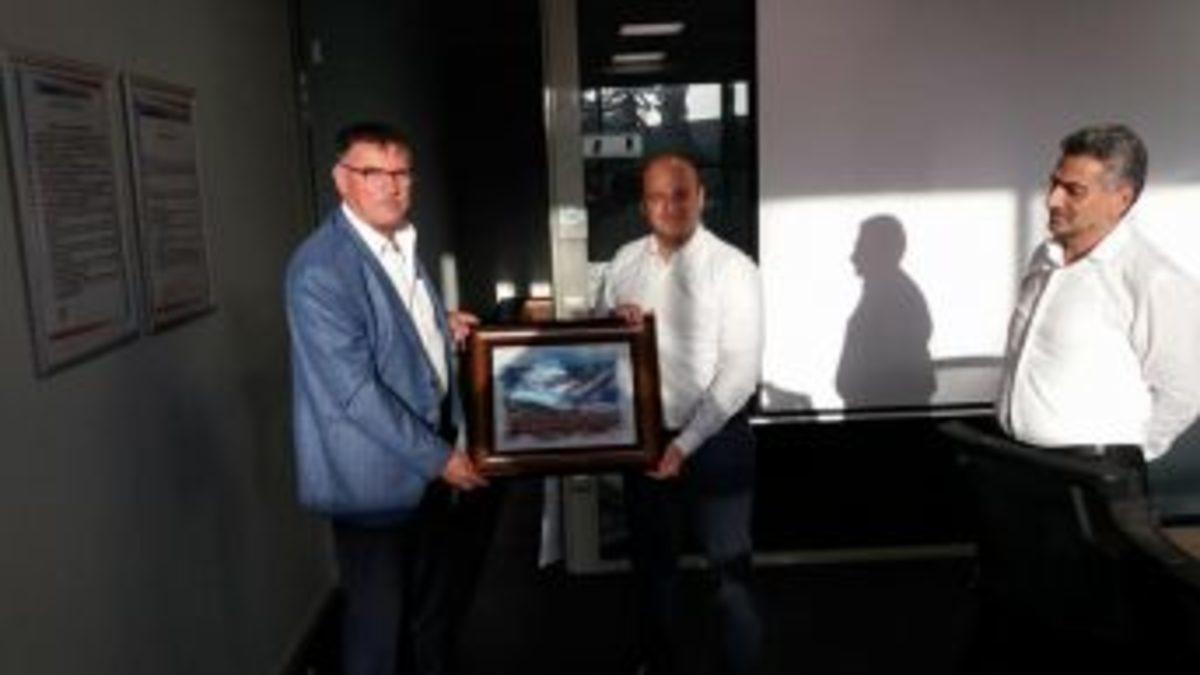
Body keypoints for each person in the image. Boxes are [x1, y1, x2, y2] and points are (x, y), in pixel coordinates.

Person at [285, 122, 486, 675]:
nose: (391, 186)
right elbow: (353, 391)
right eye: (373, 172)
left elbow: (387, 326)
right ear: (341, 179)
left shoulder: (397, 242)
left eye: (401, 173)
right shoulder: (321, 269)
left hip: (425, 470)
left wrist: (438, 324)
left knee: (430, 617)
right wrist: (441, 459)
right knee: (380, 633)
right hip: (374, 485)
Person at [598, 152, 764, 675]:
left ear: (701, 198)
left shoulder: (733, 268)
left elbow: (740, 372)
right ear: (643, 204)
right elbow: (599, 347)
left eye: (680, 194)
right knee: (652, 570)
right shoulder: (623, 262)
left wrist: (684, 444)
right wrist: (611, 321)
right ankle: (657, 663)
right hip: (645, 440)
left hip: (716, 441)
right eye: (656, 197)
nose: (668, 206)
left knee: (730, 573)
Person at [996, 123, 1200, 459]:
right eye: (1054, 183)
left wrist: (1123, 460)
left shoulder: (1153, 279)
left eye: (1074, 191)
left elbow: (1184, 392)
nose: (1052, 199)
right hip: (1016, 460)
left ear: (1122, 199)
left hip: (1091, 471)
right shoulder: (1044, 257)